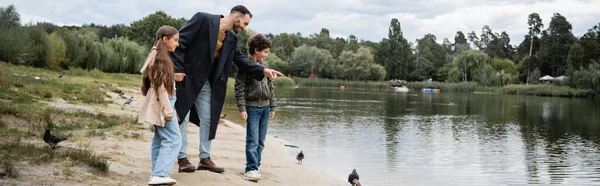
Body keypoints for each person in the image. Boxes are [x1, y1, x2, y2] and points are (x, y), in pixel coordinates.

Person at [171, 5, 283, 173]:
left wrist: (262, 70)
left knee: (209, 118)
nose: (245, 28)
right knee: (183, 118)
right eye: (245, 23)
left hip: (208, 83)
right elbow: (180, 42)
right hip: (187, 78)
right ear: (236, 17)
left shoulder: (231, 39)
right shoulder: (203, 19)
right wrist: (178, 69)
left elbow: (240, 59)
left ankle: (205, 158)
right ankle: (182, 159)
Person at [138, 25, 181, 185]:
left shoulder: (157, 55)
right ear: (165, 39)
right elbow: (161, 89)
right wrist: (168, 110)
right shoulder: (159, 58)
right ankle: (160, 174)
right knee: (174, 139)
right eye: (175, 40)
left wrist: (173, 77)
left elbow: (157, 80)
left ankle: (156, 173)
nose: (177, 43)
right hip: (163, 104)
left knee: (160, 139)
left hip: (161, 102)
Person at [234, 34, 276, 181]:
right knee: (252, 140)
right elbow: (239, 88)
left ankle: (256, 167)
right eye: (265, 52)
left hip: (265, 109)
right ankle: (250, 169)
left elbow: (270, 88)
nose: (266, 55)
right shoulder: (245, 67)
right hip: (251, 109)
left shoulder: (265, 69)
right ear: (256, 50)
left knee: (261, 141)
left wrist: (272, 107)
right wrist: (242, 108)